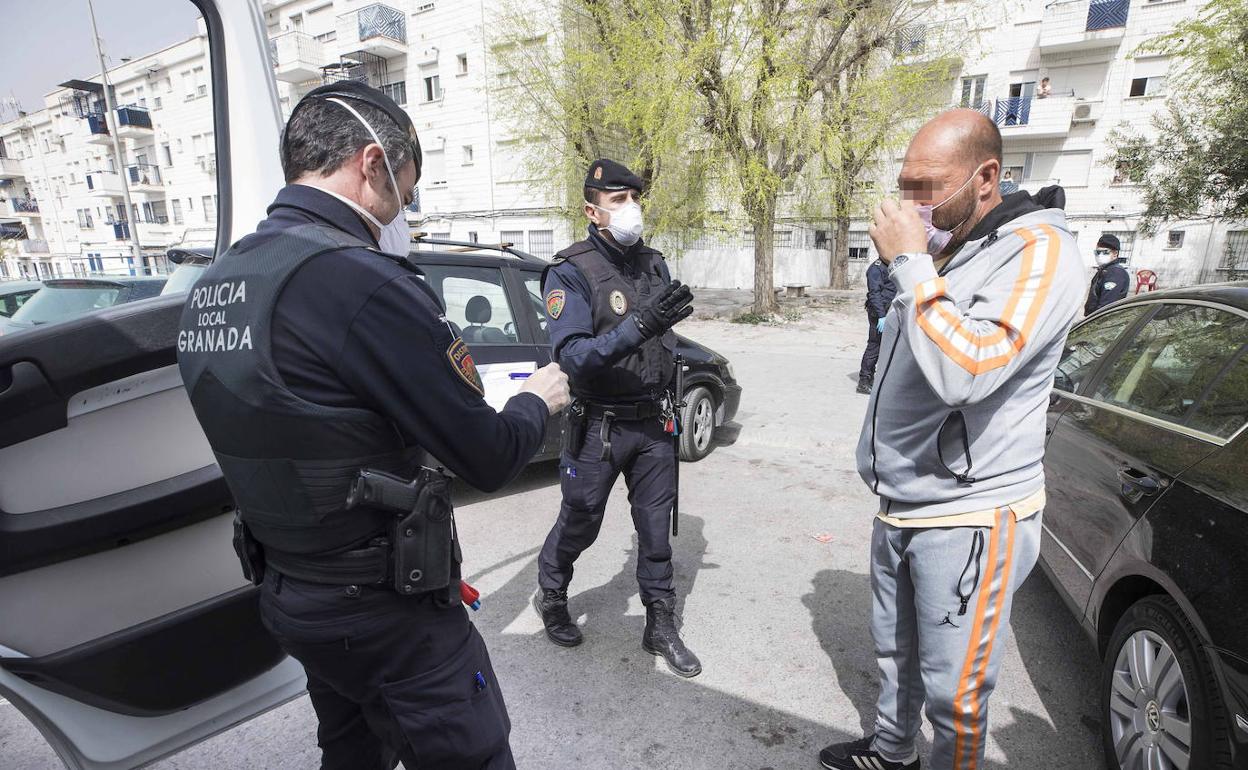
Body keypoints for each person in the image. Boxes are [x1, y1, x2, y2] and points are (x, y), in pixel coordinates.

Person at [175, 81, 570, 770]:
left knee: (352, 749)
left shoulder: (220, 280)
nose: (405, 210)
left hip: (290, 591)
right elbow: (488, 457)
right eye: (404, 191)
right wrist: (537, 400)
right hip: (386, 614)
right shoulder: (363, 283)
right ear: (369, 165)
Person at [818, 109, 1084, 770]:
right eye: (904, 186)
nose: (911, 204)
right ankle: (892, 752)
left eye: (926, 187)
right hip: (903, 499)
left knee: (956, 696)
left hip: (968, 516)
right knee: (895, 654)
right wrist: (920, 262)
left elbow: (968, 370)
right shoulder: (961, 242)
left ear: (986, 176)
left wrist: (910, 262)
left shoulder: (1042, 252)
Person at [533, 158, 702, 677]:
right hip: (599, 427)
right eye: (619, 200)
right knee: (580, 520)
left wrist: (668, 344)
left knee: (655, 530)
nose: (632, 208)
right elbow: (575, 356)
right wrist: (641, 325)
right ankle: (553, 593)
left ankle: (660, 620)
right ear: (592, 209)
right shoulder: (570, 270)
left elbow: (664, 338)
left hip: (652, 423)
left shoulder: (652, 263)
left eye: (636, 197)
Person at [857, 257, 897, 394]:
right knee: (875, 346)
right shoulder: (876, 268)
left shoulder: (891, 265)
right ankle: (864, 381)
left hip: (890, 312)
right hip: (879, 314)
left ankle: (876, 378)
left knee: (887, 347)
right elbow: (874, 293)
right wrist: (881, 316)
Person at [1084, 233, 1130, 315]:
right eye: (1097, 252)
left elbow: (1105, 307)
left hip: (1102, 321)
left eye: (1105, 252)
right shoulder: (1105, 270)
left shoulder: (1115, 273)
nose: (1100, 255)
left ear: (1115, 254)